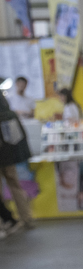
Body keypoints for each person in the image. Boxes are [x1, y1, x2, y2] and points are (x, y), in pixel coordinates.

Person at [0, 93, 35, 229]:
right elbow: (18, 138)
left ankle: (5, 221)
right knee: (16, 186)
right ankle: (26, 217)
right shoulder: (11, 116)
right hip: (9, 159)